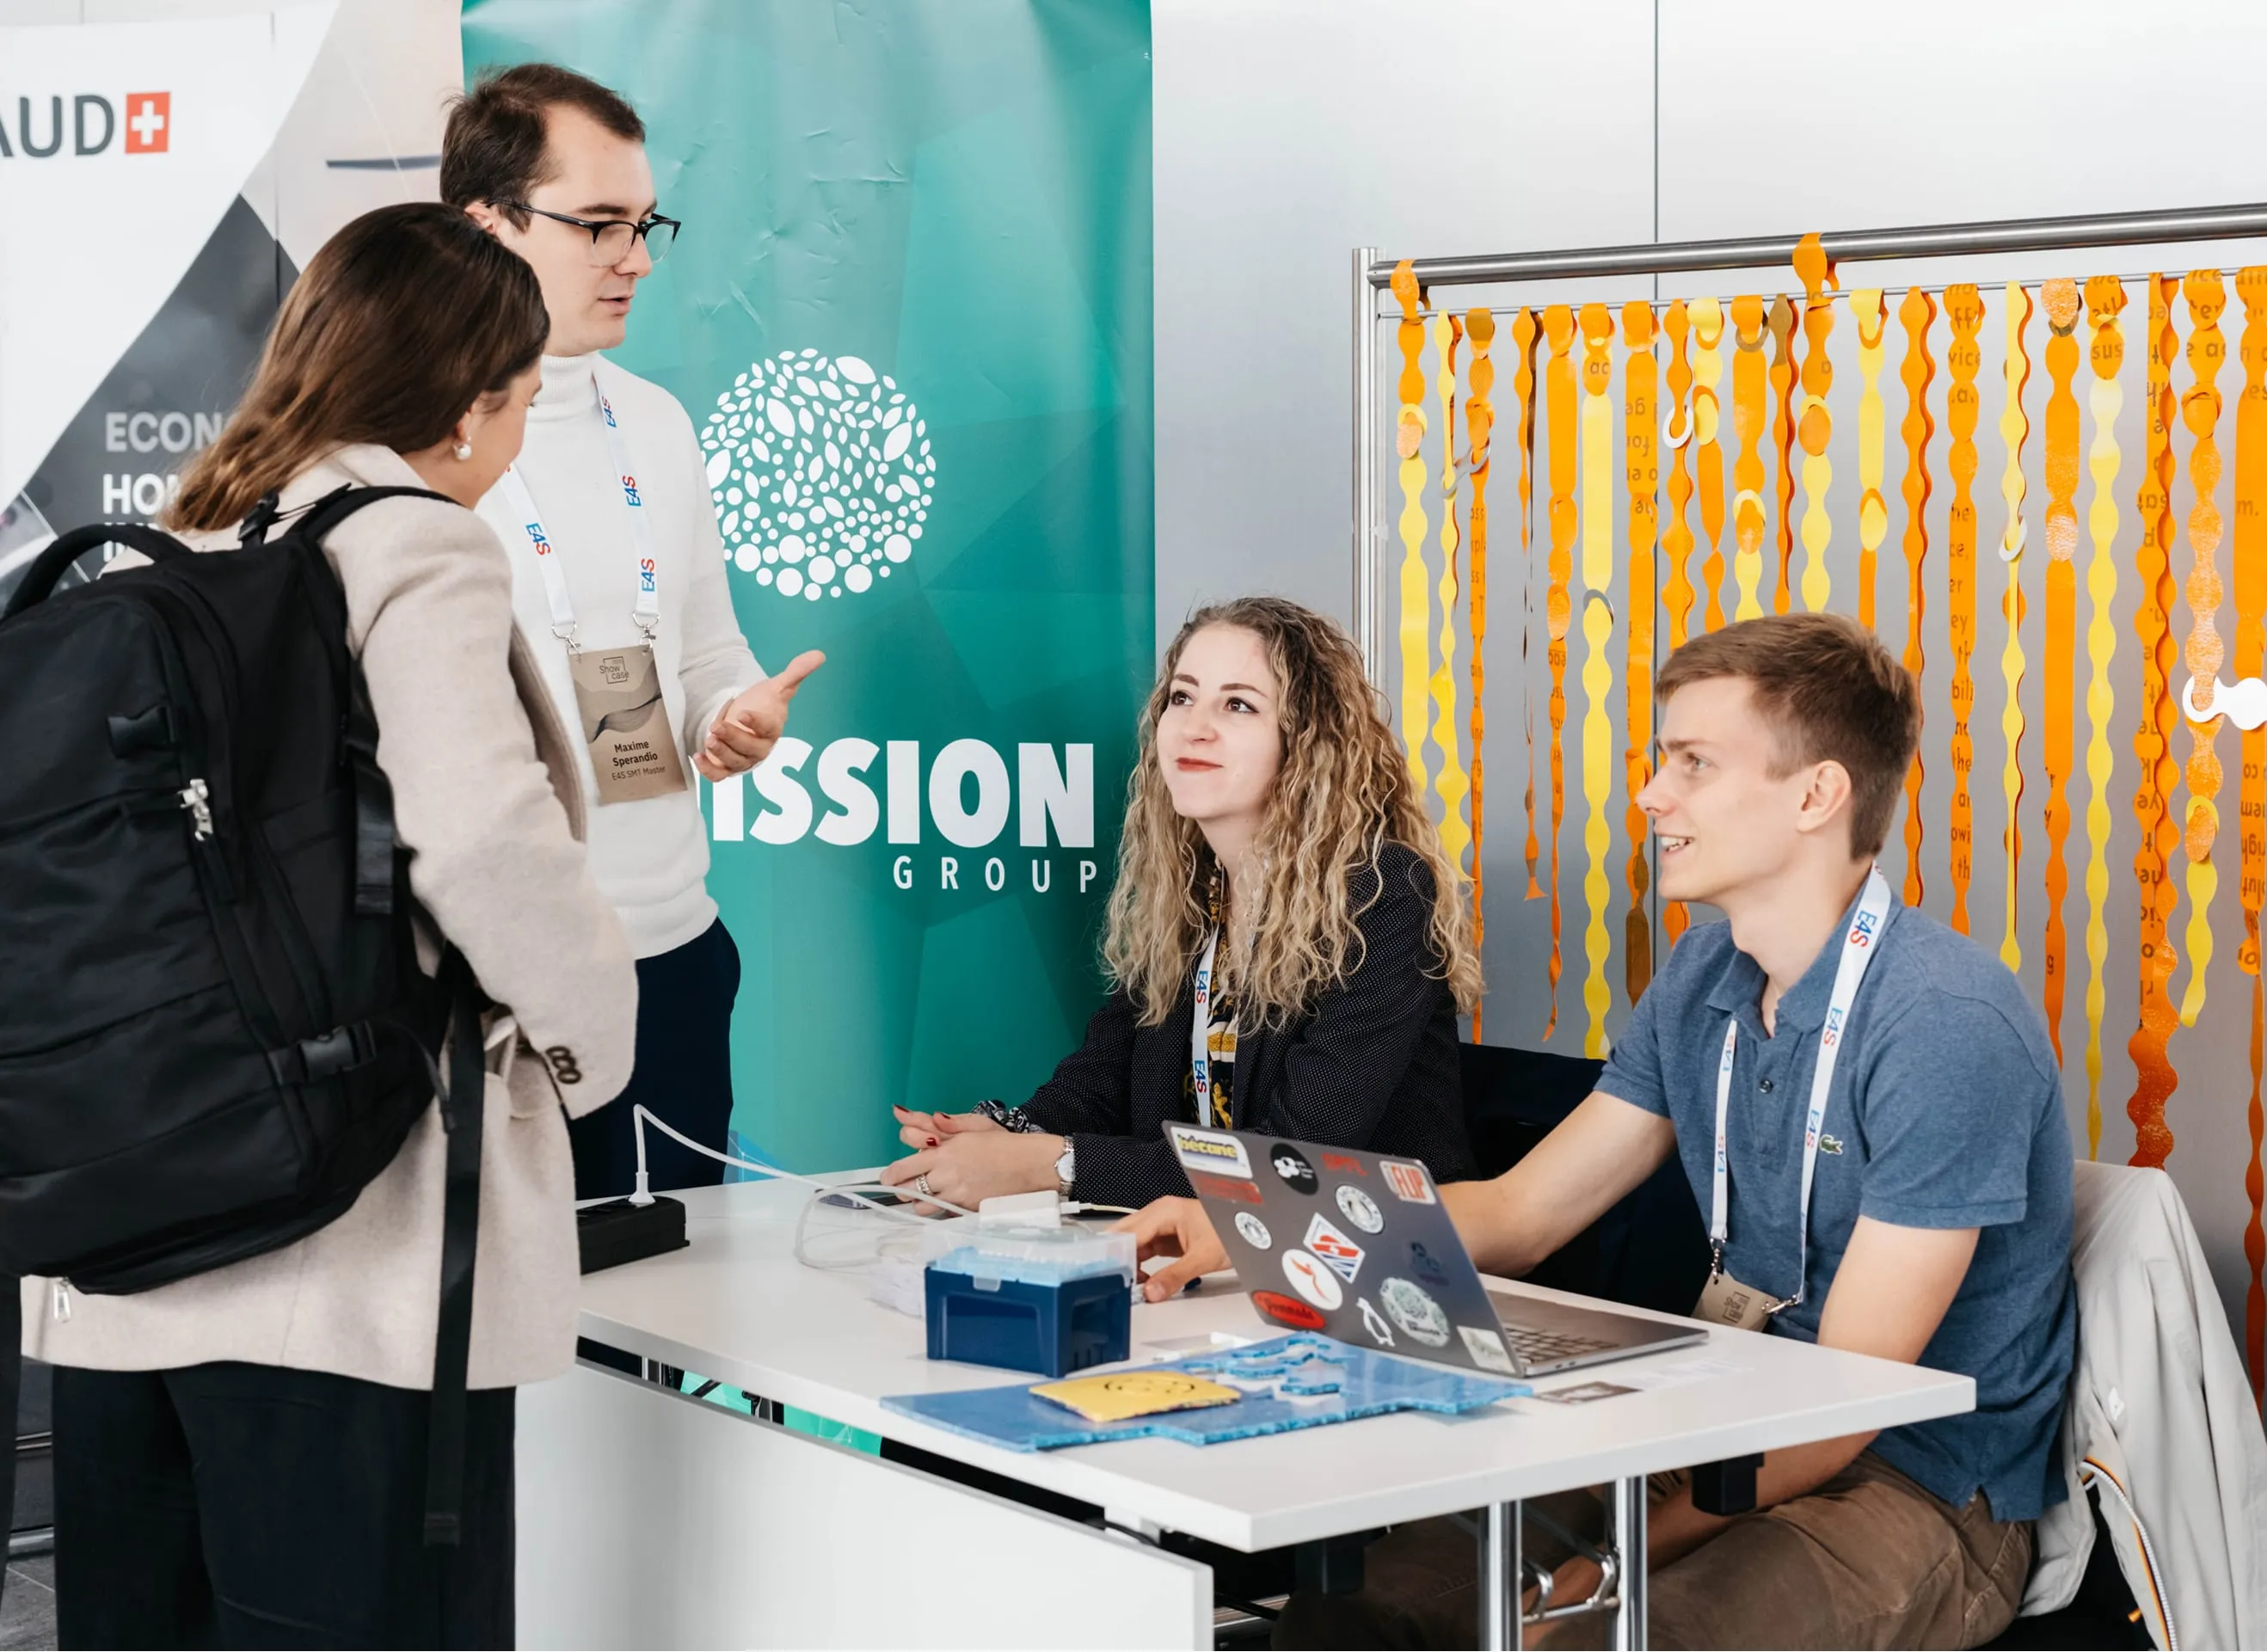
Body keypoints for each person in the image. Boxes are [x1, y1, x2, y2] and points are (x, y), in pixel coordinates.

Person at [1124, 612, 2078, 1650]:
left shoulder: (1946, 1024)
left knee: (1597, 1640)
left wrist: (1610, 1565)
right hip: (1722, 1414)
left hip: (1911, 1478)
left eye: (1693, 764)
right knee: (1359, 1610)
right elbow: (1525, 1210)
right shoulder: (1702, 978)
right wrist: (1259, 1222)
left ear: (1817, 794)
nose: (1651, 795)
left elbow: (1848, 1402)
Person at [27, 202, 635, 1648]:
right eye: (526, 397)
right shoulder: (413, 543)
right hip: (347, 1272)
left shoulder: (171, 546)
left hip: (126, 1246)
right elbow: (480, 836)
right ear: (470, 398)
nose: (520, 433)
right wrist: (590, 1042)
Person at [442, 64, 821, 1201]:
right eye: (599, 224)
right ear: (488, 225)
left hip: (674, 954)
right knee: (512, 1342)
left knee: (673, 1326)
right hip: (495, 981)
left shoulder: (654, 421)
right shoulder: (407, 440)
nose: (638, 257)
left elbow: (702, 646)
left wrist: (732, 710)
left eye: (643, 222)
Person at [882, 596, 1482, 1213]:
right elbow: (1103, 1082)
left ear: (1305, 741)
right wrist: (1005, 1136)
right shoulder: (1192, 899)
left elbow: (1295, 1159)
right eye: (1182, 697)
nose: (1196, 726)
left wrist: (1052, 1165)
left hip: (1375, 1268)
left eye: (1239, 704)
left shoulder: (1381, 892)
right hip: (1215, 1258)